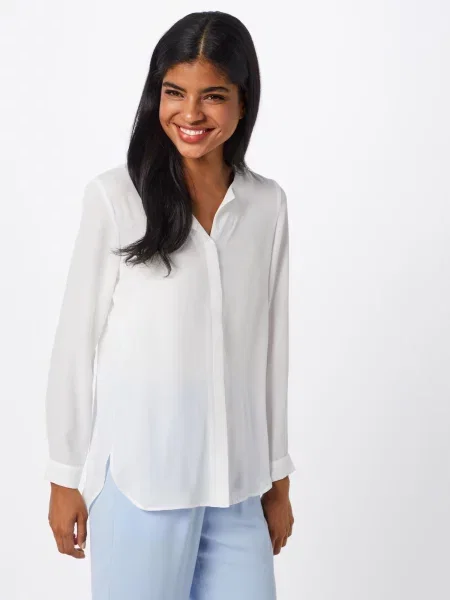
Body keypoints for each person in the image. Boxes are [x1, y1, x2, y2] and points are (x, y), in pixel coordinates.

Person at [45, 10, 295, 600]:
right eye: (175, 92)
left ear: (243, 101)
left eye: (214, 96)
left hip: (237, 490)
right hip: (143, 487)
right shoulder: (115, 198)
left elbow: (272, 352)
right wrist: (64, 474)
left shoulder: (267, 205)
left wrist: (277, 478)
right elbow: (75, 343)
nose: (191, 113)